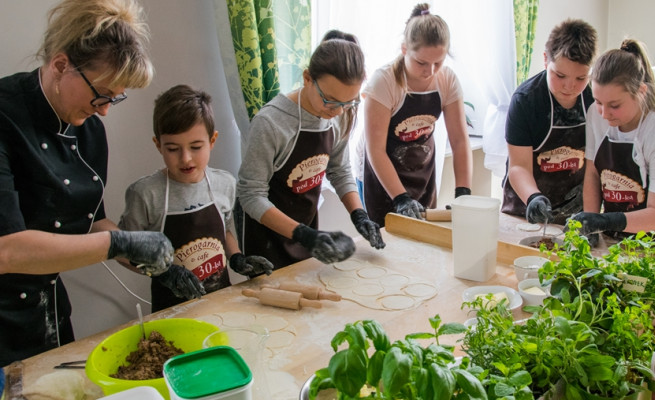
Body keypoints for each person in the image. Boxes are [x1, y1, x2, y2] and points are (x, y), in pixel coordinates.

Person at [0, 0, 175, 367]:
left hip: (49, 308)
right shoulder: (4, 117)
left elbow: (92, 222)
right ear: (62, 65)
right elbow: (7, 250)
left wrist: (156, 265)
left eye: (116, 98)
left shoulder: (89, 129)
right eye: (102, 94)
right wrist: (118, 243)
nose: (105, 109)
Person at [119, 85, 273, 312]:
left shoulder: (225, 183)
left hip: (222, 301)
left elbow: (225, 230)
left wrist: (237, 258)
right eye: (172, 149)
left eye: (196, 146)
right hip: (172, 312)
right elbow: (123, 252)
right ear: (158, 145)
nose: (186, 158)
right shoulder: (146, 193)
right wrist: (163, 272)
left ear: (212, 140)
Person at [238, 30, 385, 269]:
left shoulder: (337, 115)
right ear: (308, 78)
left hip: (306, 231)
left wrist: (359, 215)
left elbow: (339, 170)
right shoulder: (271, 123)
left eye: (348, 103)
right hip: (267, 239)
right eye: (329, 100)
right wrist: (304, 234)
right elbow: (251, 196)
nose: (338, 111)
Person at [570, 39, 655, 251]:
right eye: (599, 102)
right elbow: (592, 173)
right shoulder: (596, 115)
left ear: (641, 91)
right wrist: (589, 225)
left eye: (615, 105)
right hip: (617, 242)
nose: (604, 113)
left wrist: (604, 221)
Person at [361, 3, 473, 226]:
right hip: (384, 179)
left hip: (422, 174)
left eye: (438, 62)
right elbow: (375, 149)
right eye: (421, 62)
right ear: (404, 50)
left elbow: (460, 141)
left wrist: (463, 194)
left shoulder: (447, 80)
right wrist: (400, 197)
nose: (430, 71)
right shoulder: (383, 83)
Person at [501, 19, 598, 226]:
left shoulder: (595, 100)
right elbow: (519, 166)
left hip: (575, 208)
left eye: (581, 79)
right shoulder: (526, 101)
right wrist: (533, 198)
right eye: (560, 75)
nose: (569, 86)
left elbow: (595, 163)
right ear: (546, 60)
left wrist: (591, 212)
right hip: (525, 206)